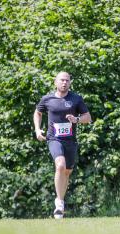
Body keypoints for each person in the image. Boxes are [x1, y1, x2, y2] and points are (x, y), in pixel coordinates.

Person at [34, 71, 92, 219]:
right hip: (54, 139)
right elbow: (38, 113)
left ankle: (61, 200)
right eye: (61, 80)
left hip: (70, 142)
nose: (64, 82)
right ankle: (59, 203)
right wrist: (37, 129)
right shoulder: (47, 99)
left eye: (67, 80)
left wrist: (76, 119)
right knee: (60, 165)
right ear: (56, 82)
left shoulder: (76, 99)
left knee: (66, 172)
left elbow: (88, 118)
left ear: (70, 83)